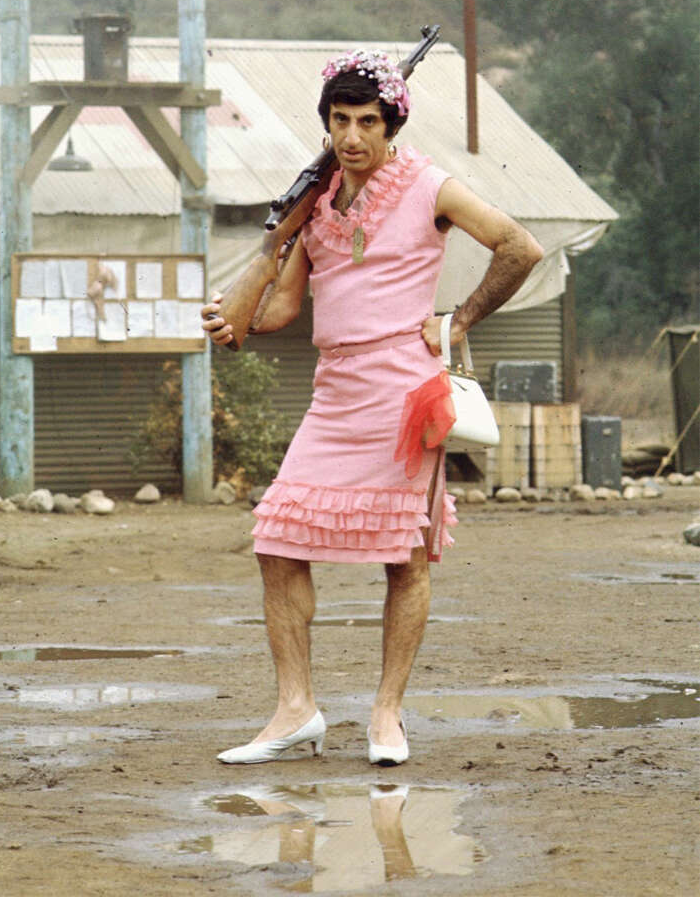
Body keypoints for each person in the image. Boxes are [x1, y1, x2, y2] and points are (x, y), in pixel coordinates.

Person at [202, 47, 543, 765]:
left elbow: (519, 247)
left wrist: (457, 322)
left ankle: (386, 716)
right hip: (334, 395)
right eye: (338, 121)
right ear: (325, 124)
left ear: (391, 125)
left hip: (403, 391)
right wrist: (236, 309)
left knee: (404, 559)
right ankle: (295, 710)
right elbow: (284, 309)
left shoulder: (430, 185)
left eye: (365, 121)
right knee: (276, 542)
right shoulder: (317, 205)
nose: (351, 137)